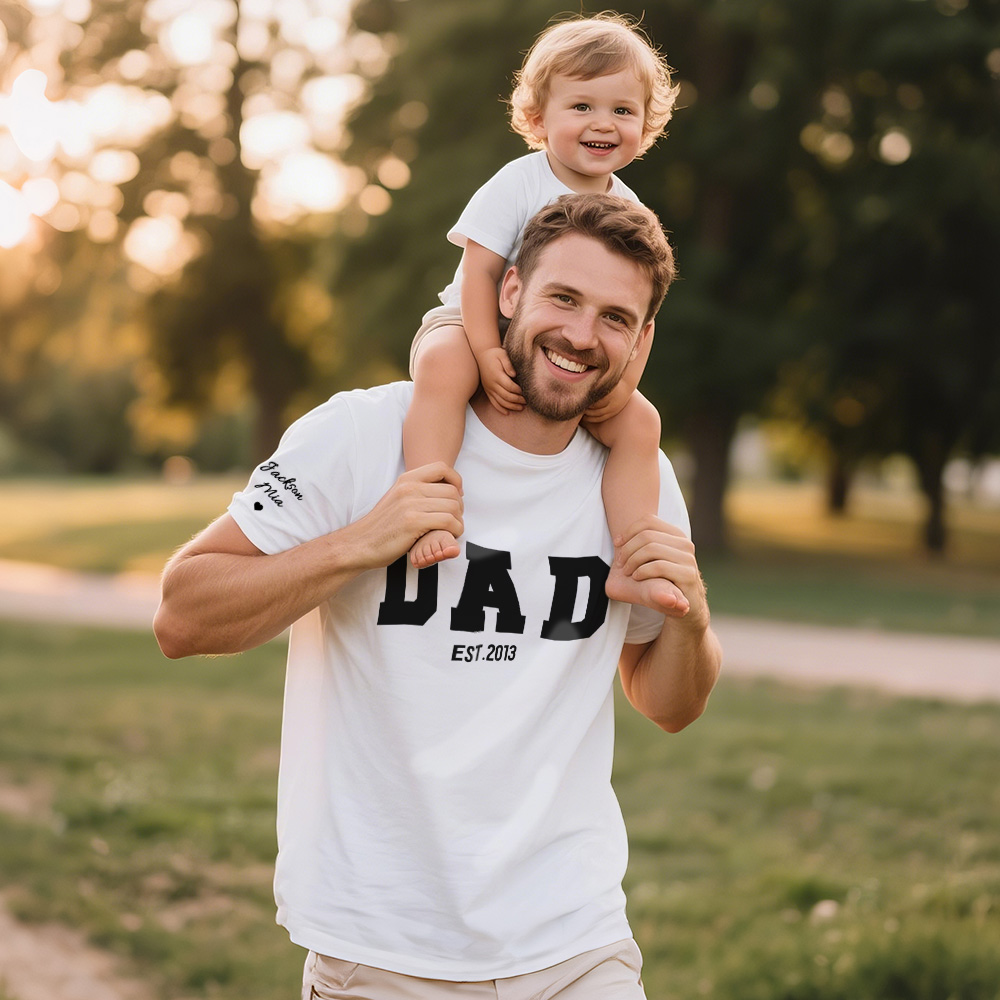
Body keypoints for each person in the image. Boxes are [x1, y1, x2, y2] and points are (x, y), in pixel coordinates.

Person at [153, 193, 722, 999]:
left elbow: (669, 704)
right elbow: (182, 614)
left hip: (575, 941)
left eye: (616, 317)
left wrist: (690, 619)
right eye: (564, 298)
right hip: (384, 948)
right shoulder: (361, 435)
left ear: (644, 339)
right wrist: (362, 541)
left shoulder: (639, 482)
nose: (582, 336)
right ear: (510, 292)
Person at [404, 13, 680, 617]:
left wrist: (624, 382)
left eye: (622, 110)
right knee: (444, 369)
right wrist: (485, 351)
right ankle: (425, 512)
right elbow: (480, 275)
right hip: (470, 323)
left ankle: (636, 559)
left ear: (645, 125)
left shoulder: (628, 210)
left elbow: (643, 314)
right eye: (581, 106)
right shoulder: (517, 184)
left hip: (563, 352)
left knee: (640, 424)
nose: (603, 123)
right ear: (538, 119)